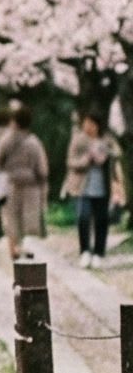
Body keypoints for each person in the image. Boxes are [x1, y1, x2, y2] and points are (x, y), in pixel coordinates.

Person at [65, 113, 125, 267]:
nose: (88, 127)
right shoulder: (78, 140)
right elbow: (71, 161)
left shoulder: (106, 139)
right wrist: (87, 159)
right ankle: (85, 251)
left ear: (97, 125)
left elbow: (118, 153)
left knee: (101, 220)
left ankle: (99, 252)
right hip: (82, 187)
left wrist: (106, 153)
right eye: (86, 123)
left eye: (91, 124)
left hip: (103, 188)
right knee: (83, 218)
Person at [0, 106, 50, 259]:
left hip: (11, 183)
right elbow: (42, 168)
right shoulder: (34, 142)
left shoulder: (6, 140)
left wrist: (7, 169)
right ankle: (25, 246)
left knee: (12, 216)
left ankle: (13, 249)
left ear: (14, 121)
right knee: (29, 216)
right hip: (31, 186)